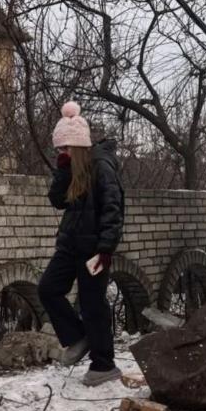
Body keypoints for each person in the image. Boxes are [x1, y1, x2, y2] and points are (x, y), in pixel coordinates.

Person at [37, 101, 125, 386]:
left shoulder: (101, 166)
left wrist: (105, 249)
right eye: (58, 149)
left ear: (77, 145)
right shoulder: (73, 168)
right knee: (48, 289)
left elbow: (113, 209)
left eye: (65, 148)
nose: (61, 153)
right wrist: (63, 170)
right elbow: (57, 200)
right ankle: (78, 337)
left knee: (92, 305)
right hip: (70, 244)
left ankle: (104, 365)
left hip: (93, 249)